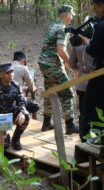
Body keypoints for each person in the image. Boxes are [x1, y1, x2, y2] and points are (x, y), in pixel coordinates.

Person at [38, 5, 79, 134]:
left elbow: (56, 50)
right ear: (67, 14)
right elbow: (61, 50)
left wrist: (66, 65)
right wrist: (72, 65)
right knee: (67, 92)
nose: (72, 17)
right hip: (51, 64)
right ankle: (70, 125)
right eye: (71, 15)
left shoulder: (53, 26)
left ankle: (46, 123)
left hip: (44, 63)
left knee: (50, 91)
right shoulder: (61, 28)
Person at [0, 63, 29, 150]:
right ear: (1, 74)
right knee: (5, 144)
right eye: (7, 72)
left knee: (26, 115)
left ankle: (16, 139)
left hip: (9, 114)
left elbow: (22, 100)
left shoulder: (16, 86)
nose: (11, 74)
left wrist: (21, 112)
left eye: (12, 72)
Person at [80, 0, 104, 140]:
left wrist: (87, 42)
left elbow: (93, 50)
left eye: (95, 7)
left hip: (100, 74)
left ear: (102, 7)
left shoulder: (101, 26)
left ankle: (85, 145)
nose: (94, 11)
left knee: (90, 107)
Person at [69, 45, 94, 141]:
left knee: (83, 111)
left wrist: (80, 68)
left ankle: (83, 136)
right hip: (96, 82)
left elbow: (71, 64)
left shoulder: (77, 47)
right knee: (97, 111)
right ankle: (97, 137)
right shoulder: (97, 44)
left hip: (81, 83)